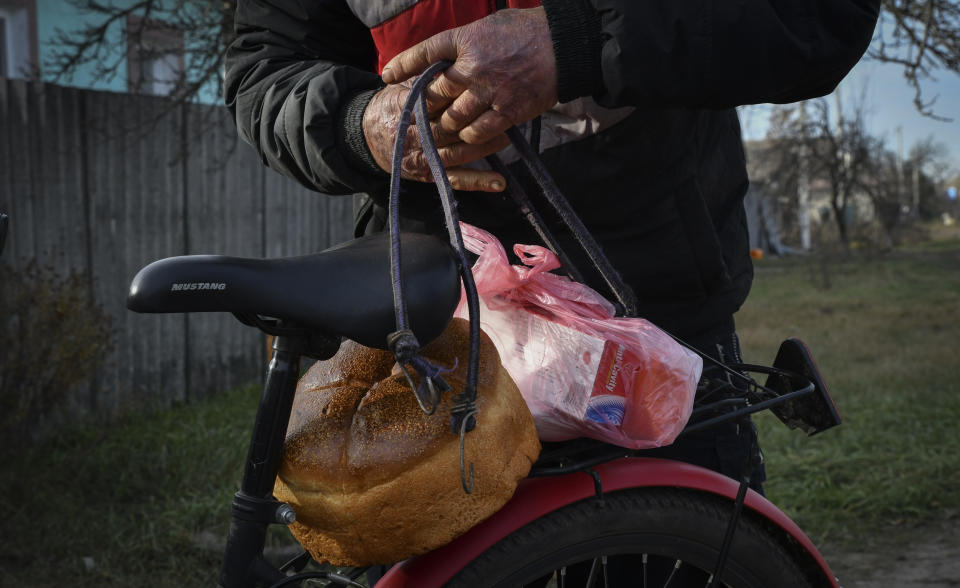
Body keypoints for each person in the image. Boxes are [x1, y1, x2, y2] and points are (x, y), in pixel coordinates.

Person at [224, 0, 879, 493]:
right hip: (439, 344)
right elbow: (264, 73)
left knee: (686, 551)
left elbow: (820, 15)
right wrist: (358, 122)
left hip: (657, 332)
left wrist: (578, 44)